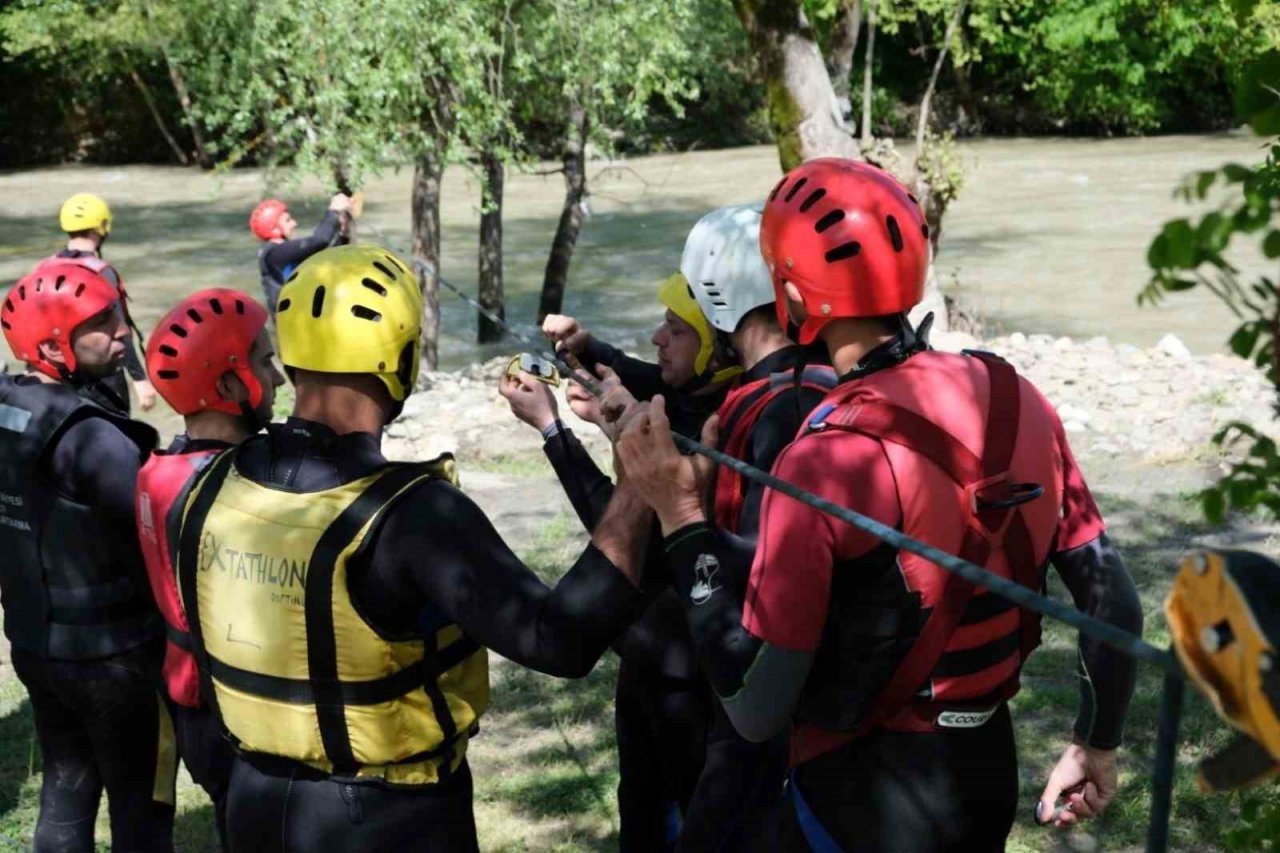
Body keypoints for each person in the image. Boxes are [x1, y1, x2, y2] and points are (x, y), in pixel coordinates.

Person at [616, 159, 1144, 851]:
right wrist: (1096, 743)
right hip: (987, 774)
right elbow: (1115, 601)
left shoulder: (827, 457)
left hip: (865, 795)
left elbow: (754, 707)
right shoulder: (1016, 397)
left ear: (792, 296)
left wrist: (681, 513)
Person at [172, 244, 652, 852]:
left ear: (289, 361)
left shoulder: (207, 486)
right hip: (388, 821)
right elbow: (561, 641)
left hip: (251, 802)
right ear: (399, 358)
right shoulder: (414, 514)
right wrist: (637, 485)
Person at [507, 205, 833, 851]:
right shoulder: (731, 404)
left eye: (675, 326)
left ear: (716, 327)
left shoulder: (746, 419)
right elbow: (662, 379)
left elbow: (647, 550)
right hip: (679, 674)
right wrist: (596, 367)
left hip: (703, 687)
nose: (659, 336)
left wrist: (557, 435)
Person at [0, 259, 175, 851]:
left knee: (66, 789)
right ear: (53, 341)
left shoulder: (7, 404)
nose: (123, 329)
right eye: (102, 321)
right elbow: (163, 528)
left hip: (35, 642)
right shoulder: (93, 436)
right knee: (141, 808)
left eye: (117, 312)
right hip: (113, 656)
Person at [135, 289, 284, 847]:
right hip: (236, 713)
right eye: (265, 362)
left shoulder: (157, 468)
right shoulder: (235, 489)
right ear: (227, 385)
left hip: (190, 705)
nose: (280, 379)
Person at [51, 192, 156, 414]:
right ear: (102, 226)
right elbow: (118, 329)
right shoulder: (101, 271)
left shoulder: (47, 268)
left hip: (60, 375)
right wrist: (139, 379)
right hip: (103, 375)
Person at [250, 194, 352, 314]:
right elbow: (319, 241)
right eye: (288, 220)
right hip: (292, 323)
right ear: (274, 230)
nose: (294, 223)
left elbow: (326, 258)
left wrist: (342, 234)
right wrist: (334, 211)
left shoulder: (283, 254)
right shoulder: (274, 254)